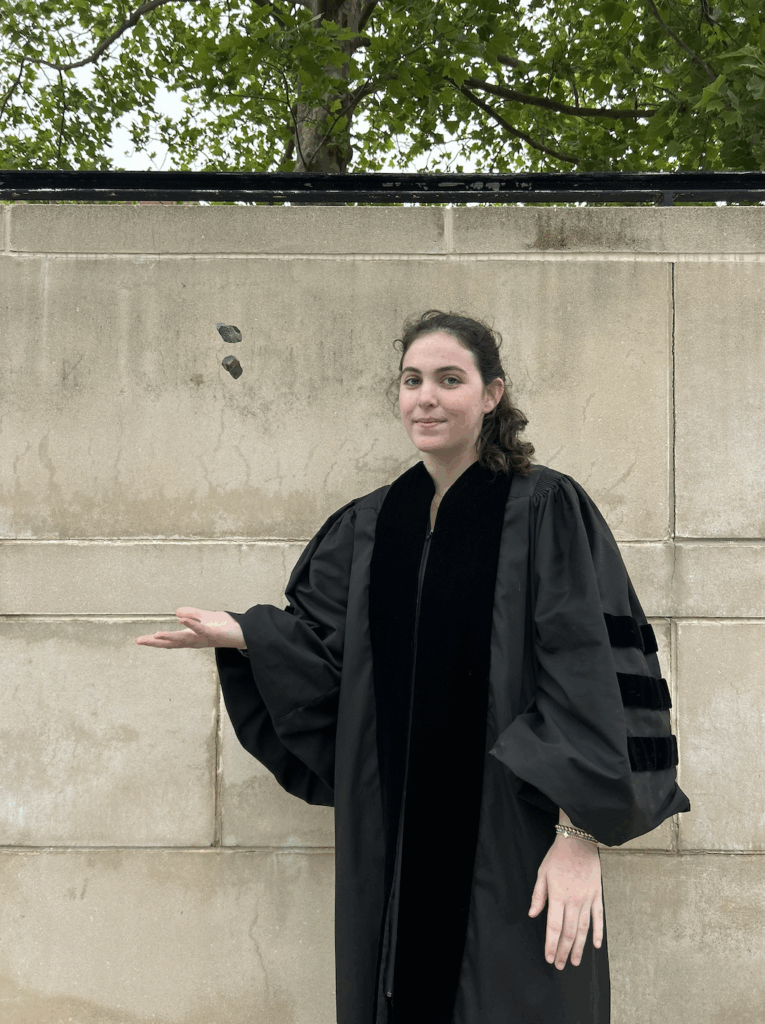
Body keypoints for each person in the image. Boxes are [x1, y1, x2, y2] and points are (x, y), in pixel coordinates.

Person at [136, 309, 690, 1024]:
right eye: (411, 380)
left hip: (513, 843)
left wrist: (577, 835)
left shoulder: (547, 510)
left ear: (491, 394)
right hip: (393, 853)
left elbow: (588, 673)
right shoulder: (368, 527)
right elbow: (333, 672)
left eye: (448, 380)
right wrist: (251, 637)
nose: (425, 397)